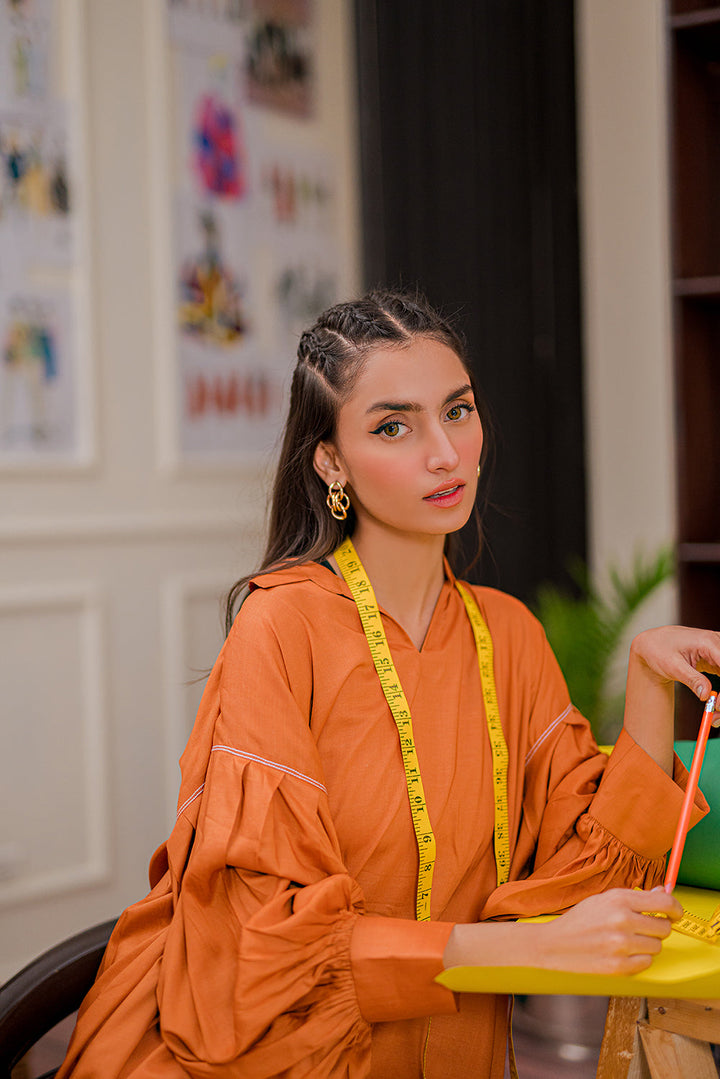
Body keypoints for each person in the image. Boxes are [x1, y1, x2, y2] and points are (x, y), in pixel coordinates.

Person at [58, 289, 718, 1079]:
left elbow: (598, 878)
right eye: (393, 426)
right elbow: (264, 942)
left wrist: (648, 677)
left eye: (458, 411)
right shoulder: (282, 627)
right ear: (330, 462)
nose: (445, 453)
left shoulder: (508, 634)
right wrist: (524, 946)